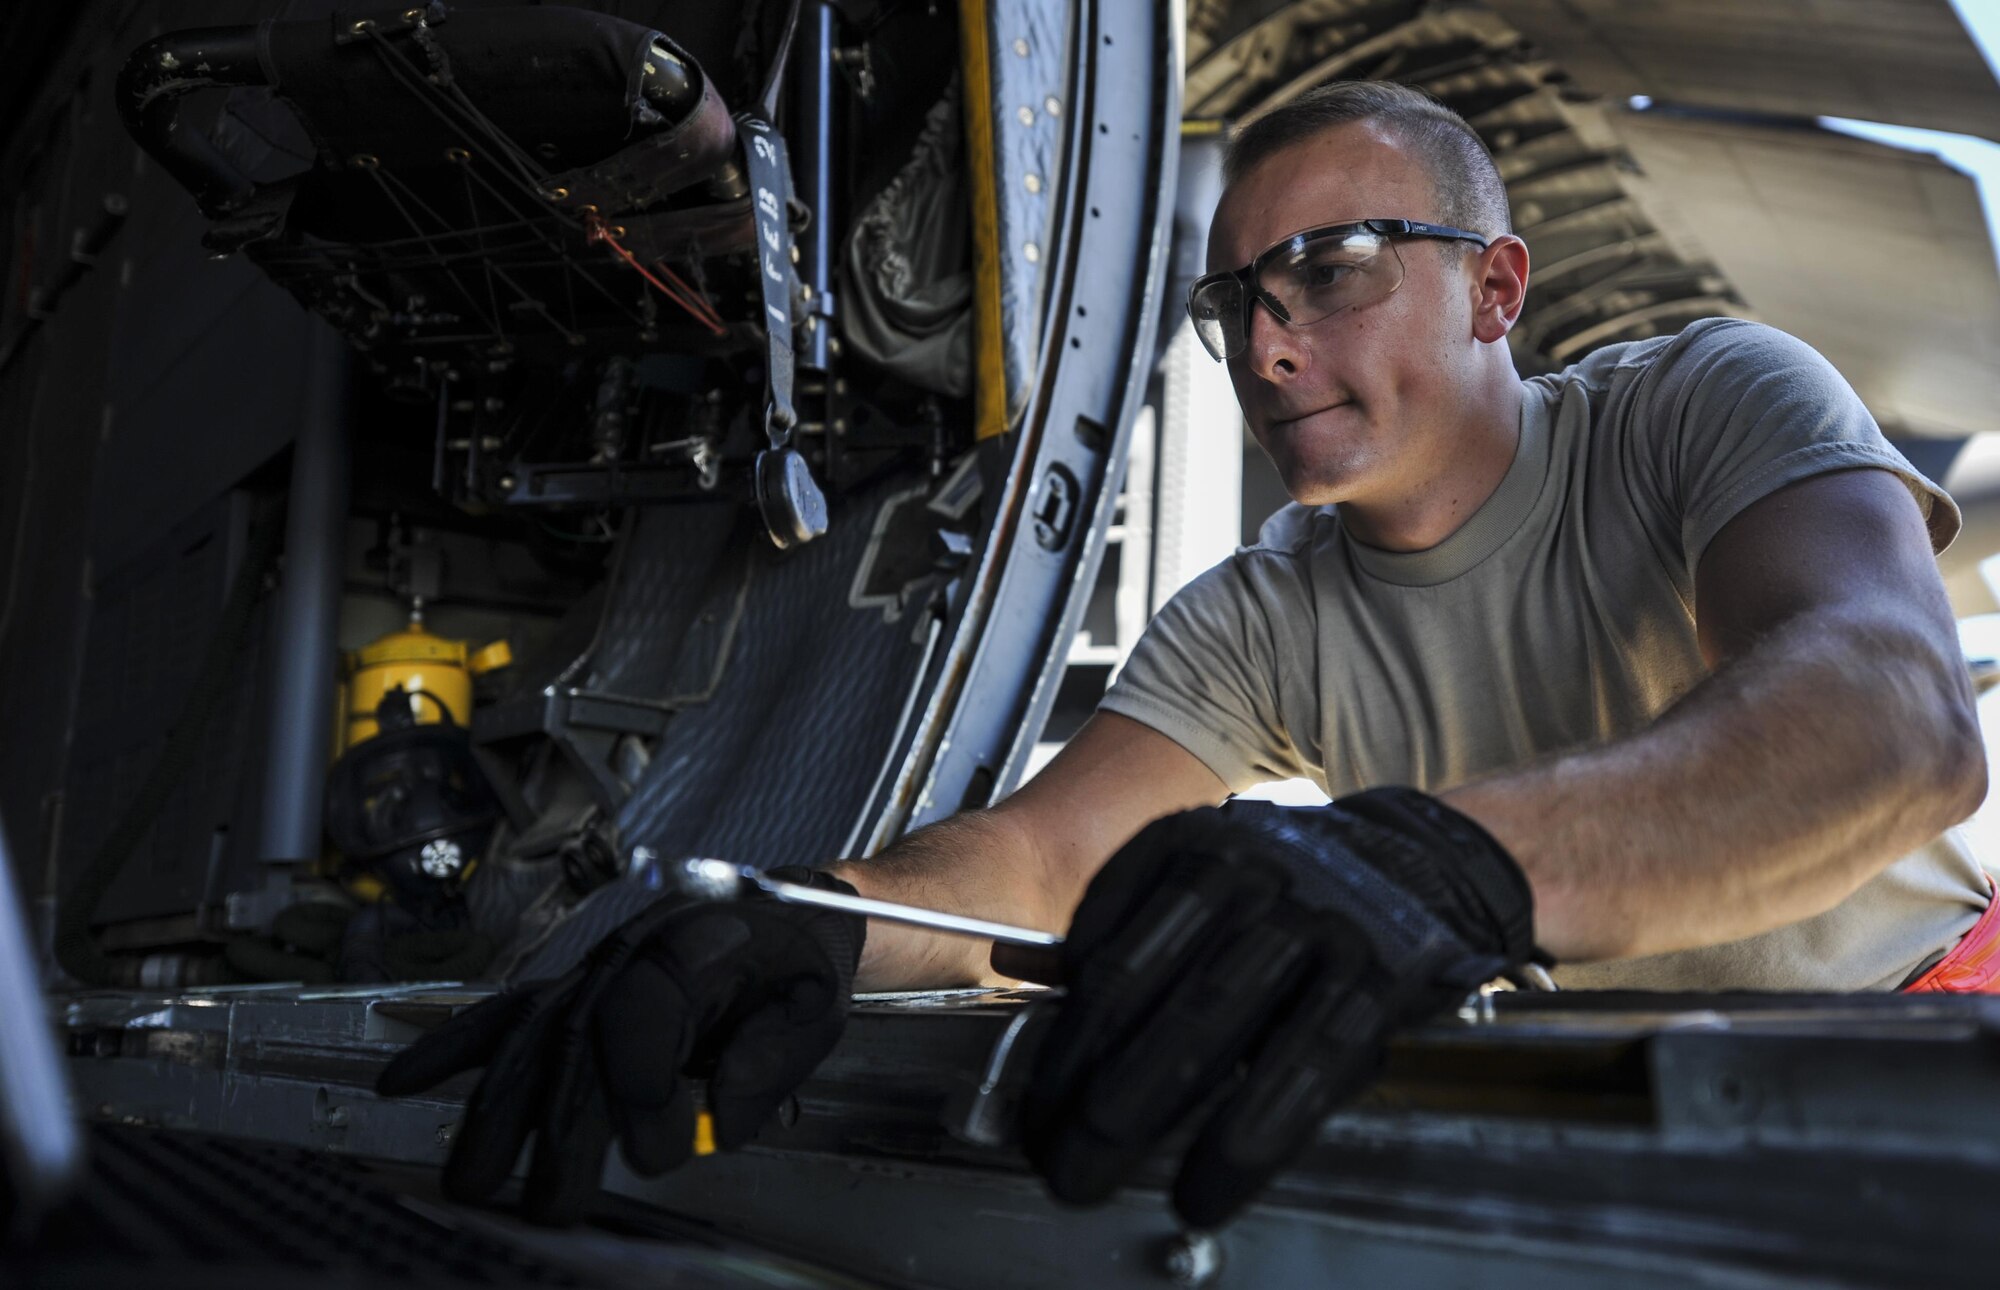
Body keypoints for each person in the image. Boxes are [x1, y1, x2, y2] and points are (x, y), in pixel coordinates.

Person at [378, 81, 1993, 1229]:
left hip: (1927, 1044)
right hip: (1615, 1100)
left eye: (1336, 269)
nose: (1270, 343)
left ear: (1496, 287)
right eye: (1236, 305)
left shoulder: (1702, 403)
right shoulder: (1264, 606)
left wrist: (1438, 861)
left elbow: (1890, 717)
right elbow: (1034, 860)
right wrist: (805, 922)